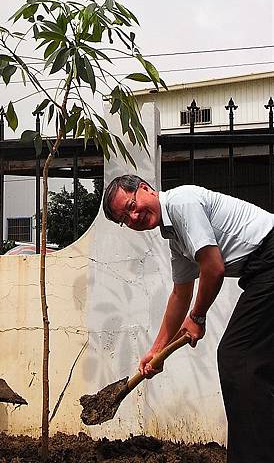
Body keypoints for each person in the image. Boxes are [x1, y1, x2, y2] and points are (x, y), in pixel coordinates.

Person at [102, 174, 274, 463]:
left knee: (237, 357)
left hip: (269, 261)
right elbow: (180, 294)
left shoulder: (182, 203)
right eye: (125, 218)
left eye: (132, 205)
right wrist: (157, 350)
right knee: (255, 362)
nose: (134, 216)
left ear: (145, 188)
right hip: (262, 270)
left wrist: (198, 316)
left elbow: (213, 267)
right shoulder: (175, 237)